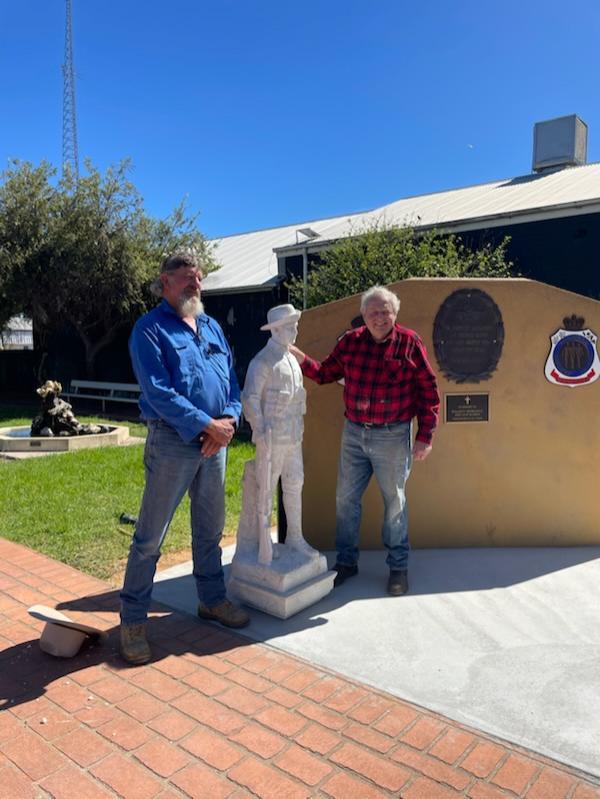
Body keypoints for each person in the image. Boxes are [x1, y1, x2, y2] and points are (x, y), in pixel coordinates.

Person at [119, 251, 249, 666]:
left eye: (199, 279)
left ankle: (212, 599)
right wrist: (205, 426)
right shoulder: (149, 329)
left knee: (209, 529)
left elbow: (231, 380)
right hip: (174, 442)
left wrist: (228, 420)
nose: (196, 285)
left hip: (216, 444)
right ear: (166, 282)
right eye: (188, 279)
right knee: (150, 537)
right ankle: (133, 620)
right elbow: (158, 392)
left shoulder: (210, 325)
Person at [290, 285, 439, 596]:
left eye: (385, 311)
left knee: (394, 503)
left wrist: (425, 436)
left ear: (395, 314)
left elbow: (429, 391)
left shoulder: (410, 343)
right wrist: (297, 356)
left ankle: (398, 567)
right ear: (363, 315)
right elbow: (324, 373)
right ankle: (346, 562)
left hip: (393, 436)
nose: (379, 317)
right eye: (372, 312)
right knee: (345, 500)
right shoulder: (350, 342)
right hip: (355, 434)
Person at [241, 304, 319, 565]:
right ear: (275, 330)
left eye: (295, 325)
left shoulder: (290, 360)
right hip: (272, 437)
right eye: (289, 326)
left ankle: (295, 537)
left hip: (293, 434)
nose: (295, 330)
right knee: (266, 489)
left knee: (295, 483)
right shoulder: (262, 361)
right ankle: (264, 543)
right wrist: (260, 429)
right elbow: (250, 397)